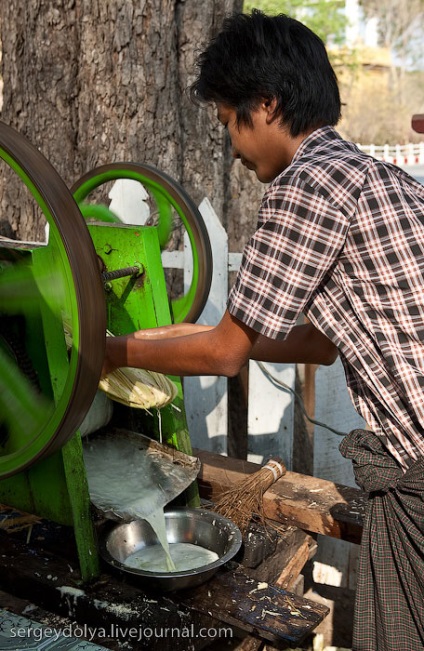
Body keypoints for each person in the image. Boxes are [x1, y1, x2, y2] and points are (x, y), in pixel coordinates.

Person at [103, 10, 424, 650]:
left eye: (230, 124)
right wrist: (170, 339)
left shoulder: (304, 185)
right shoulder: (371, 176)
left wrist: (102, 352)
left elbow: (225, 356)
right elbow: (314, 341)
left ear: (268, 105)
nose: (235, 150)